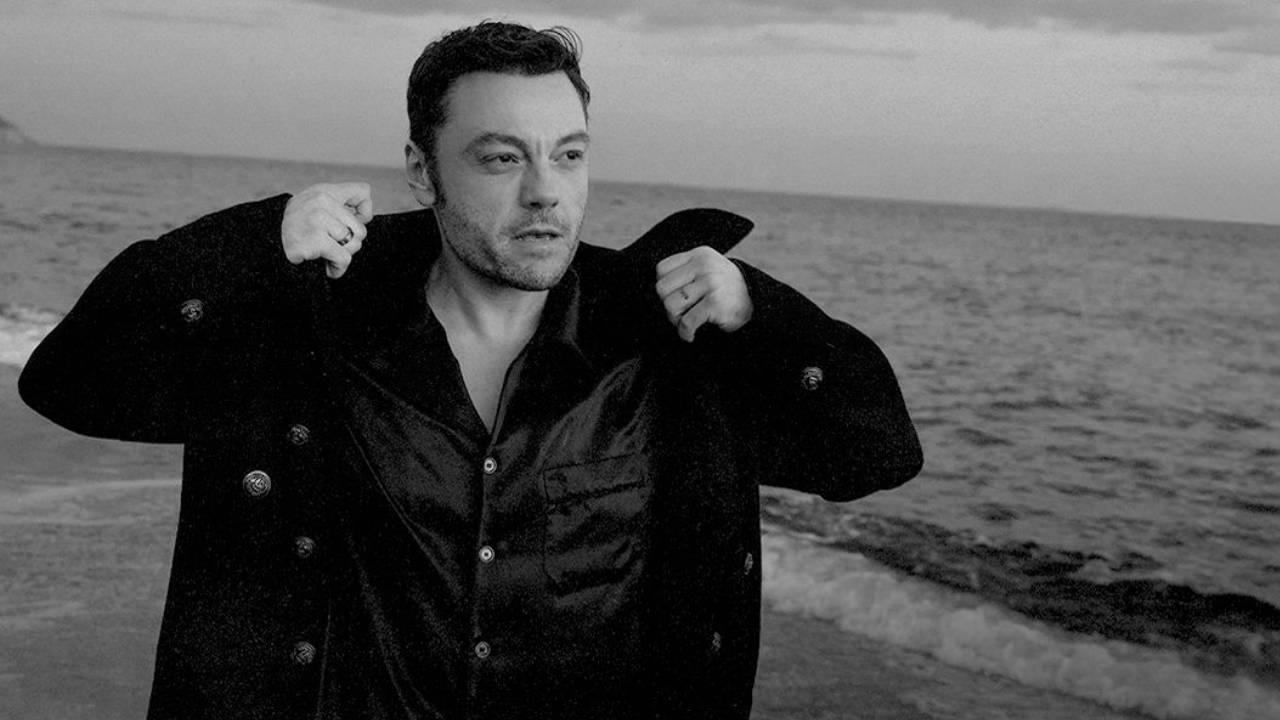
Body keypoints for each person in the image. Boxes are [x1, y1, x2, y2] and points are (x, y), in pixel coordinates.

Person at [19, 21, 923, 720]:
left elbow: (874, 455)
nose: (545, 192)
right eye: (502, 158)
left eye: (569, 155)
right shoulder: (312, 332)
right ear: (423, 171)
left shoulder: (662, 348)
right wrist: (252, 245)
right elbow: (70, 381)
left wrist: (765, 317)